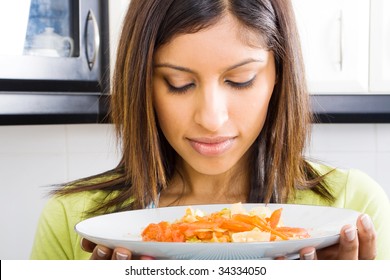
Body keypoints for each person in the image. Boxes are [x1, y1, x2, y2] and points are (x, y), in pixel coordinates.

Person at [30, 0, 390, 260]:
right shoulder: (74, 220)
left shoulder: (352, 208)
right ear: (140, 83)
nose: (212, 119)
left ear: (279, 76)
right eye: (179, 83)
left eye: (240, 80)